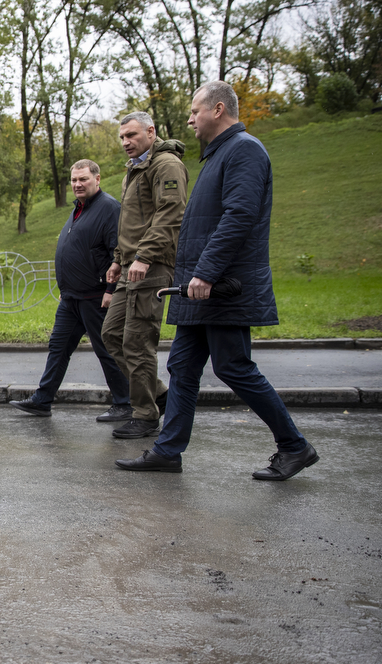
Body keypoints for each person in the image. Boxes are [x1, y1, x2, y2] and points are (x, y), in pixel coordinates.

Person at [116, 81, 318, 480]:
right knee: (182, 366)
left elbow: (239, 217)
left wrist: (206, 273)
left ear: (219, 110)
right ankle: (168, 450)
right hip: (198, 287)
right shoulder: (219, 156)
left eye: (195, 111)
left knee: (234, 366)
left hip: (223, 285)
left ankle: (295, 446)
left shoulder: (244, 151)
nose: (189, 119)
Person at [9, 160, 131, 421]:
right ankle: (42, 400)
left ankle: (125, 403)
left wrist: (111, 289)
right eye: (74, 180)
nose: (77, 184)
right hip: (71, 298)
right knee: (58, 347)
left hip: (96, 295)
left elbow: (117, 253)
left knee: (106, 350)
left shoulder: (109, 208)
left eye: (83, 179)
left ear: (97, 179)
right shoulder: (78, 209)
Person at [101, 111, 189, 439]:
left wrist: (143, 257)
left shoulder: (165, 165)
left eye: (132, 135)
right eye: (122, 137)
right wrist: (119, 260)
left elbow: (171, 214)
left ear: (151, 132)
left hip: (150, 267)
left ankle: (145, 415)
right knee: (112, 334)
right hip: (130, 266)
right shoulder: (136, 169)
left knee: (137, 342)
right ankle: (160, 395)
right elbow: (132, 223)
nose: (126, 142)